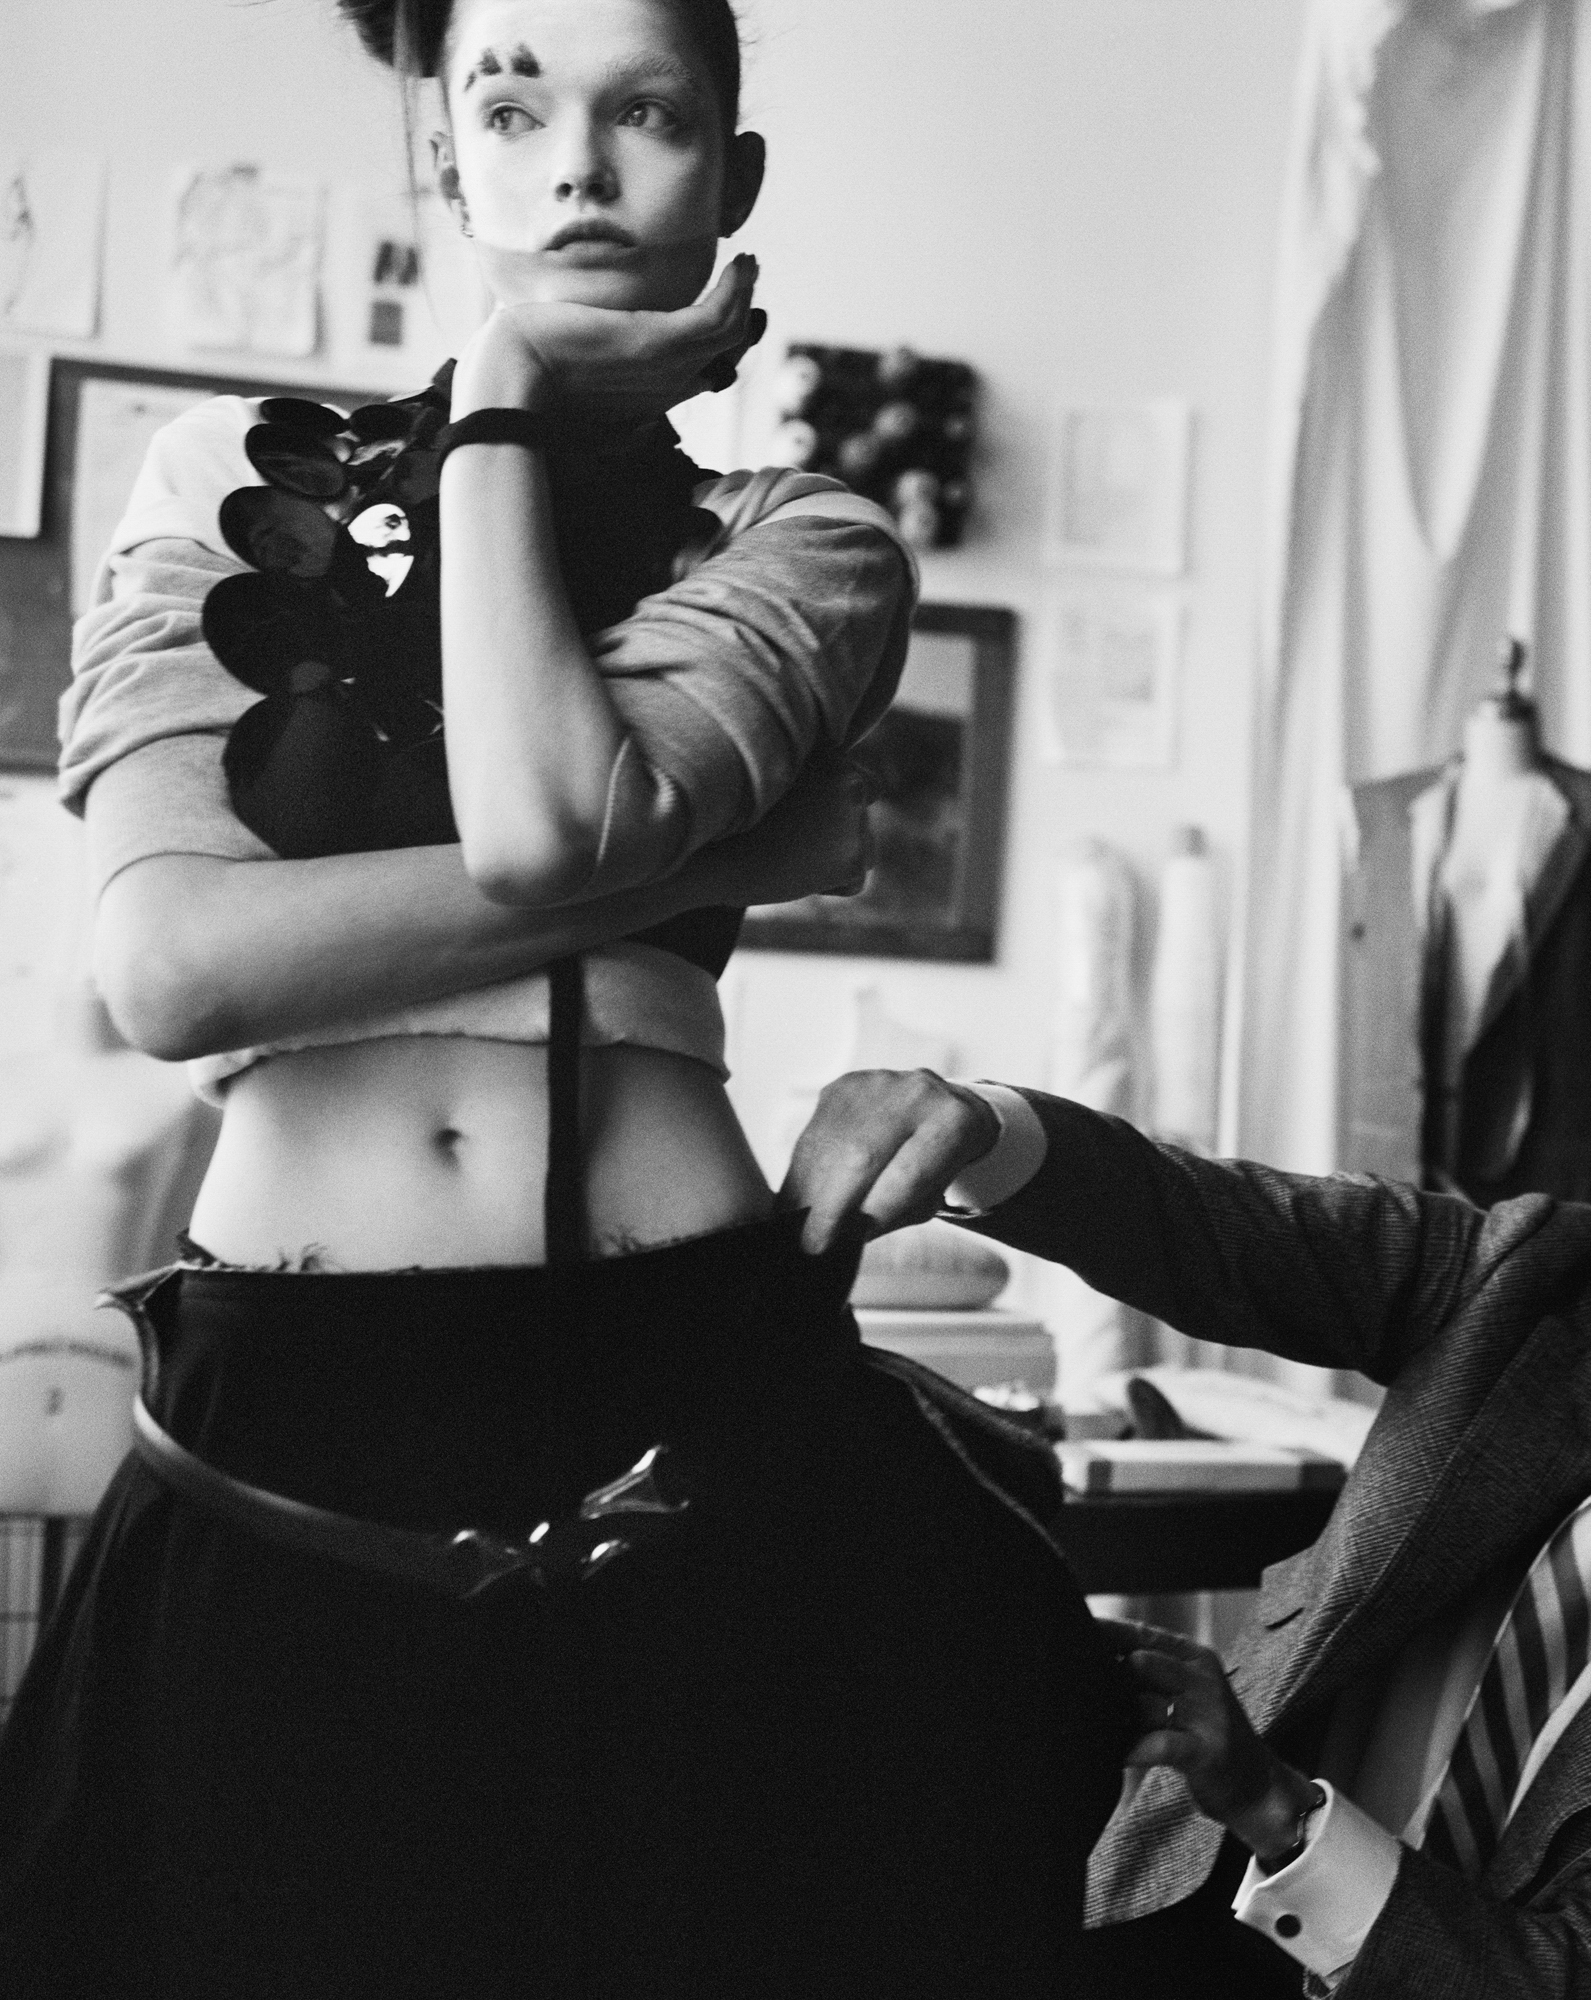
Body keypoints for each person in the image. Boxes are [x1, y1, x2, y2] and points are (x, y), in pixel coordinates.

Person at [0, 5, 1126, 1993]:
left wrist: (505, 396)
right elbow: (171, 968)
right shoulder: (216, 477)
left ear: (734, 176)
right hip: (292, 1410)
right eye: (514, 107)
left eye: (648, 114)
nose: (581, 168)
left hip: (689, 1379)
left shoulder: (808, 537)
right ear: (443, 155)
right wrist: (717, 859)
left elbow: (546, 820)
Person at [784, 1071, 1591, 1996]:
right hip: (1180, 1894)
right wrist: (984, 1128)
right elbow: (1222, 1228)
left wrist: (1276, 1805)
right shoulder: (1539, 1279)